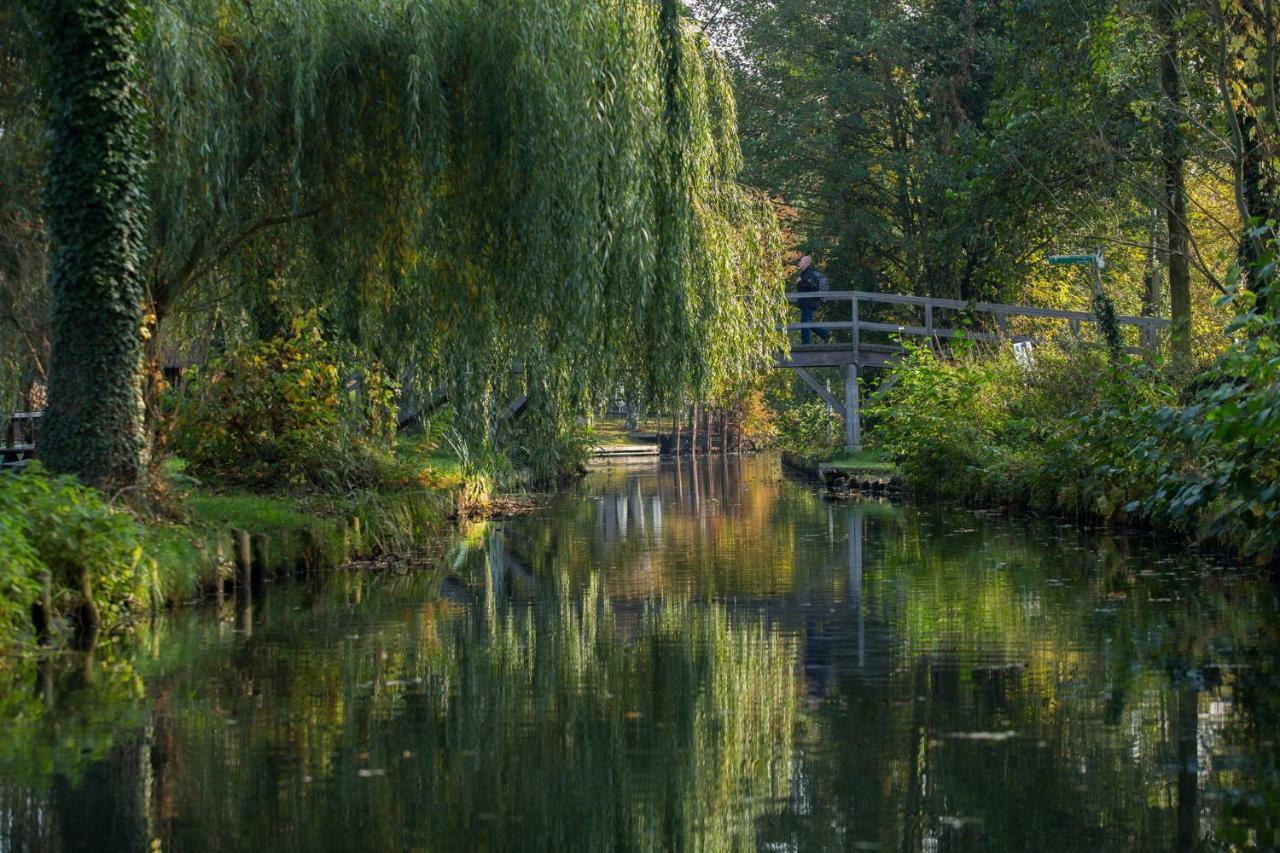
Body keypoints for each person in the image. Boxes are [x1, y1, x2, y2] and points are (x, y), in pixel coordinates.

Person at [795, 255, 830, 345]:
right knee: (807, 322)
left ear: (806, 263)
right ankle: (824, 334)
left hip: (808, 302)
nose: (799, 263)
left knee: (805, 323)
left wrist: (799, 282)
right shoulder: (804, 273)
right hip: (807, 302)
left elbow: (810, 285)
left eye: (801, 261)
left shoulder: (809, 273)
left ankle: (806, 343)